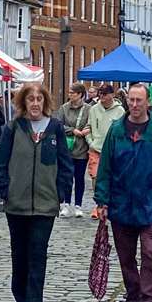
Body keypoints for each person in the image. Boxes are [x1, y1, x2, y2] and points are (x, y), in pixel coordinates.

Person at [94, 87, 152, 302]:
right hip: (122, 203)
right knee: (126, 255)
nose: (134, 104)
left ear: (147, 102)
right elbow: (106, 168)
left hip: (151, 202)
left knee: (150, 253)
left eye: (138, 100)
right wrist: (102, 200)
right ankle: (133, 297)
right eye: (131, 100)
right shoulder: (117, 130)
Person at [0, 83, 72, 302]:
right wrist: (6, 191)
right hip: (17, 204)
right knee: (20, 254)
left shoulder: (55, 128)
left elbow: (65, 164)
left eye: (39, 99)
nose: (35, 104)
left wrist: (60, 194)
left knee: (38, 254)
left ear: (44, 102)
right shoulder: (13, 128)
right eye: (30, 99)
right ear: (23, 103)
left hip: (45, 205)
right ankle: (21, 295)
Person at [58, 84, 93, 218]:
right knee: (67, 177)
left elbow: (91, 122)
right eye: (69, 92)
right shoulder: (64, 108)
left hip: (81, 147)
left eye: (73, 93)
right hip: (67, 147)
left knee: (79, 177)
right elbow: (58, 124)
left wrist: (86, 130)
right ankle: (66, 204)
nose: (70, 95)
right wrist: (72, 130)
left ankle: (78, 205)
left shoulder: (88, 109)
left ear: (80, 94)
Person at [85, 83, 125, 185]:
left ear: (112, 95)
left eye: (105, 94)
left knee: (111, 179)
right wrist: (91, 142)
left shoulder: (120, 111)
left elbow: (123, 131)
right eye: (100, 93)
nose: (102, 96)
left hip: (113, 151)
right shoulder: (93, 109)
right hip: (96, 150)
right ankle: (98, 200)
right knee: (96, 177)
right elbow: (88, 127)